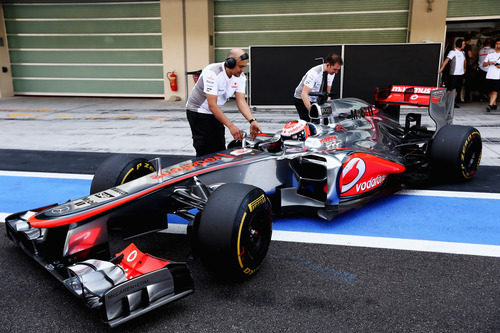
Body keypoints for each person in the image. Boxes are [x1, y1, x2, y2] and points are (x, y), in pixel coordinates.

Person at [186, 48, 261, 156]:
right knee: (205, 149)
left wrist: (252, 120)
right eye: (240, 66)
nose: (242, 70)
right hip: (198, 111)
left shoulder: (240, 77)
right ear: (230, 63)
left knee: (219, 147)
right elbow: (212, 105)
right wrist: (231, 126)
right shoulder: (212, 72)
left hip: (214, 112)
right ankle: (202, 172)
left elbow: (241, 102)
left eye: (244, 66)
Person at [293, 53, 343, 121]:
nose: (336, 72)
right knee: (309, 122)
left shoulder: (331, 73)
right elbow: (304, 94)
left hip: (314, 98)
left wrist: (327, 108)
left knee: (323, 120)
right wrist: (313, 111)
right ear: (328, 64)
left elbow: (327, 93)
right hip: (301, 98)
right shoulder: (314, 73)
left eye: (338, 70)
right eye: (335, 69)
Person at [438, 38, 466, 108]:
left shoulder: (463, 53)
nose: (464, 45)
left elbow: (465, 61)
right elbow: (446, 60)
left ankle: (452, 103)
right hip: (453, 74)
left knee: (457, 89)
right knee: (450, 89)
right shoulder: (453, 52)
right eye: (463, 44)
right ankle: (445, 102)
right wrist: (441, 69)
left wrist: (465, 68)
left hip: (461, 73)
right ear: (459, 44)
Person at [483, 38, 500, 112]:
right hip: (489, 75)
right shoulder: (490, 54)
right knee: (490, 91)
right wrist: (489, 63)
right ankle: (494, 104)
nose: (498, 45)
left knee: (495, 91)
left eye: (499, 44)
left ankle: (489, 105)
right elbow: (484, 64)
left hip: (498, 76)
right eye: (497, 44)